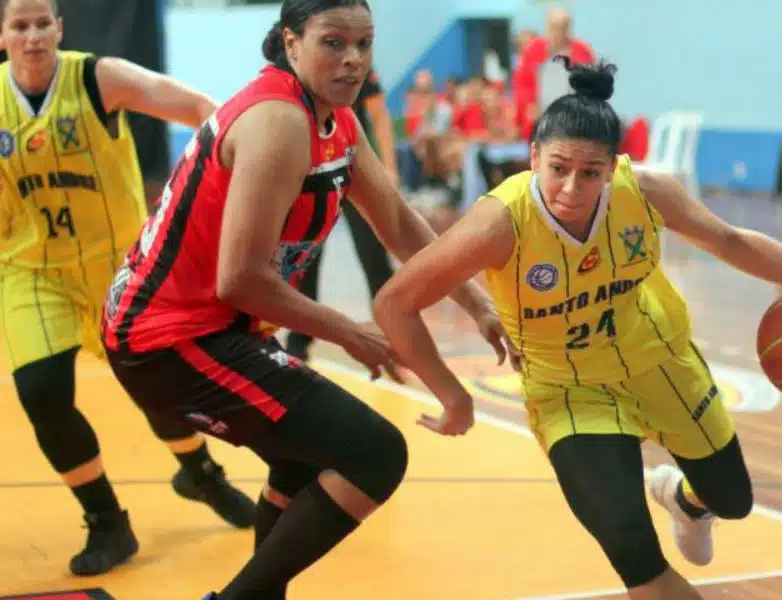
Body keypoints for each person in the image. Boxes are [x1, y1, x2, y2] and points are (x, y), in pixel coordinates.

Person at [372, 58, 782, 600]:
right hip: (569, 391)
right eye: (558, 168)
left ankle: (686, 500)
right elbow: (394, 303)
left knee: (733, 500)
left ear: (612, 168)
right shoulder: (500, 222)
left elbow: (730, 241)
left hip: (661, 364)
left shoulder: (643, 191)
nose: (571, 187)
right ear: (533, 158)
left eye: (590, 172)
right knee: (633, 551)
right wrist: (452, 395)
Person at [100, 1, 503, 598]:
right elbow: (240, 278)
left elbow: (395, 220)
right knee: (374, 453)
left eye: (363, 44)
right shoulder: (278, 122)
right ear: (291, 42)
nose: (353, 59)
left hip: (214, 328)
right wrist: (349, 331)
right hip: (166, 339)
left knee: (306, 458)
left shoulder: (336, 119)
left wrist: (476, 301)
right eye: (333, 43)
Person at [0, 0, 255, 577]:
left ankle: (200, 474)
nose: (33, 35)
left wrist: (234, 173)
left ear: (60, 28)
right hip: (31, 270)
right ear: (3, 35)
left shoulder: (98, 78)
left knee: (157, 389)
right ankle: (107, 520)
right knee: (41, 393)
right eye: (20, 25)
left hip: (119, 267)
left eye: (42, 23)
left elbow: (201, 109)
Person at [285, 67, 398, 362]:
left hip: (354, 168)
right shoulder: (297, 71)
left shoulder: (357, 67)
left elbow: (379, 114)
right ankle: (299, 337)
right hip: (312, 171)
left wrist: (389, 168)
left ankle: (393, 328)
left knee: (372, 248)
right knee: (306, 254)